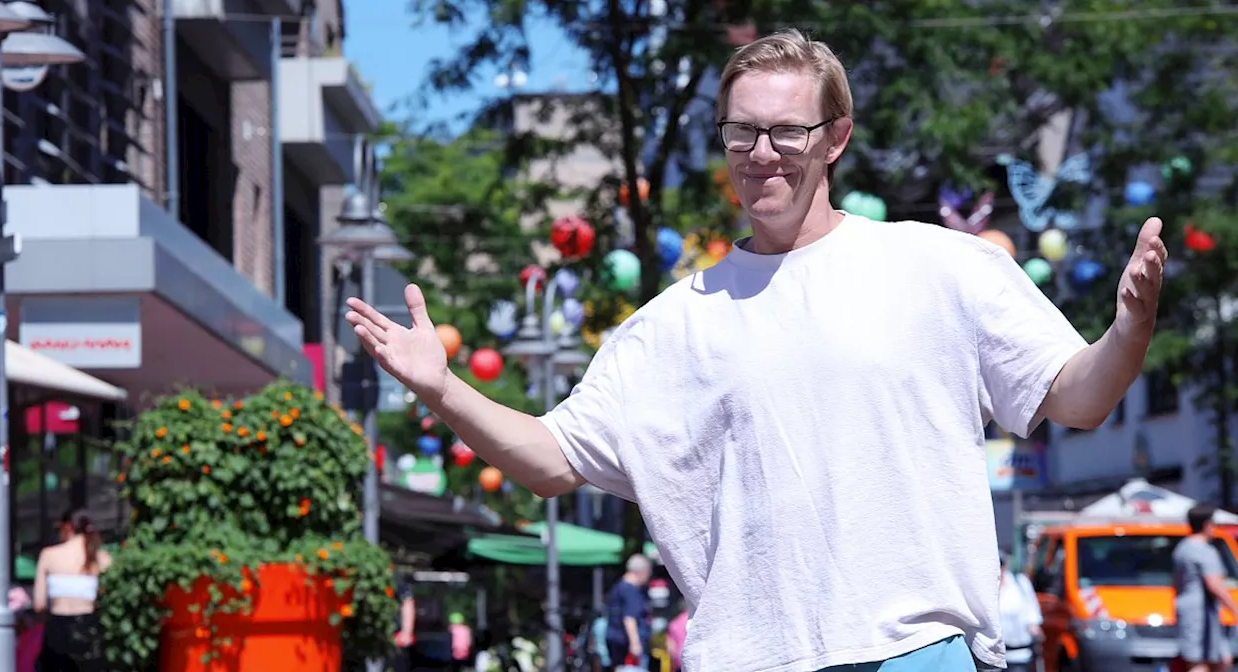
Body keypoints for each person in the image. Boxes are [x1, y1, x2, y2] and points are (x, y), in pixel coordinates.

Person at [345, 29, 1166, 672]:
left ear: (836, 137)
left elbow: (1081, 396)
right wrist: (440, 387)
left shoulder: (940, 265)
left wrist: (1128, 329)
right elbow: (550, 461)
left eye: (785, 131)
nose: (761, 153)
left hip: (918, 655)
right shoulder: (670, 327)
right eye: (741, 132)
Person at [33, 509, 110, 671]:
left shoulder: (49, 555)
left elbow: (39, 604)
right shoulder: (101, 558)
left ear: (68, 527)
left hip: (57, 629)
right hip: (89, 629)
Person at [1174, 505, 1238, 672]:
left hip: (1189, 610)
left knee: (1222, 658)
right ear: (1207, 524)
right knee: (1199, 662)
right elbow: (1215, 585)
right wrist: (1234, 610)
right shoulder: (1204, 551)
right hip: (1201, 615)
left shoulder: (1182, 548)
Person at [604, 555, 651, 670]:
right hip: (628, 645)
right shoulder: (631, 590)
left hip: (615, 641)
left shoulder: (618, 587)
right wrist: (635, 643)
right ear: (643, 572)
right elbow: (629, 618)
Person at [998, 553, 1042, 672]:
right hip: (994, 657)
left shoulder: (1019, 582)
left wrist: (1034, 627)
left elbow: (1032, 612)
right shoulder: (986, 588)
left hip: (1019, 654)